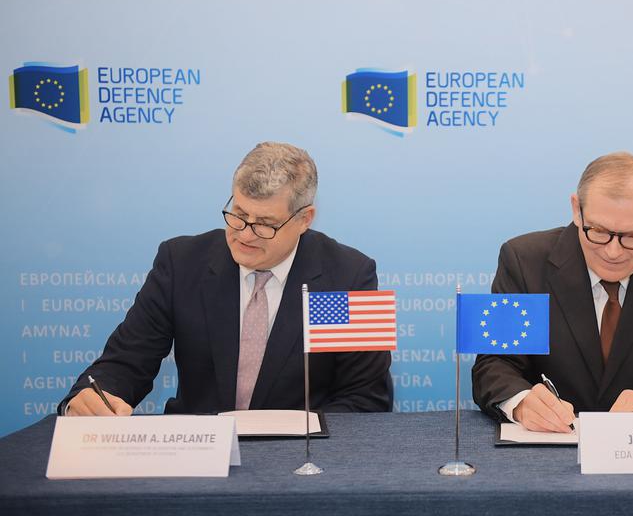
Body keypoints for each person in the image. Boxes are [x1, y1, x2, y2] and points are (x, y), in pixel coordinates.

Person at [61, 142, 391, 416]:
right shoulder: (181, 263)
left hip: (300, 465)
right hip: (197, 459)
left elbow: (365, 400)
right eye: (238, 214)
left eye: (265, 223)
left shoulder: (348, 276)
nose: (244, 234)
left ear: (304, 219)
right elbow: (126, 362)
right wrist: (95, 396)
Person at [472, 152, 633, 433]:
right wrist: (522, 402)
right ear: (577, 210)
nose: (613, 252)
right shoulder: (524, 261)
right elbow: (494, 364)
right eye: (598, 231)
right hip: (546, 447)